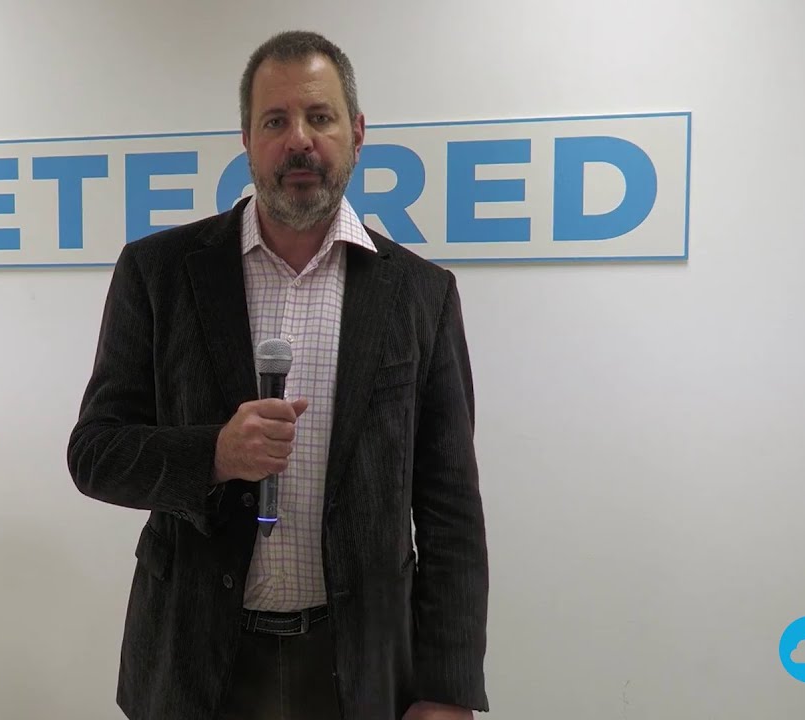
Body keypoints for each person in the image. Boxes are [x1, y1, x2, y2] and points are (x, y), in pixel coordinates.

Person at [67, 29, 489, 720]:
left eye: (320, 117)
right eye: (274, 121)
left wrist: (447, 687)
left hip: (359, 668)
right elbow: (95, 454)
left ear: (357, 133)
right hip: (195, 666)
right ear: (246, 139)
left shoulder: (422, 293)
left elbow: (450, 506)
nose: (299, 140)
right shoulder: (158, 273)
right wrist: (214, 453)